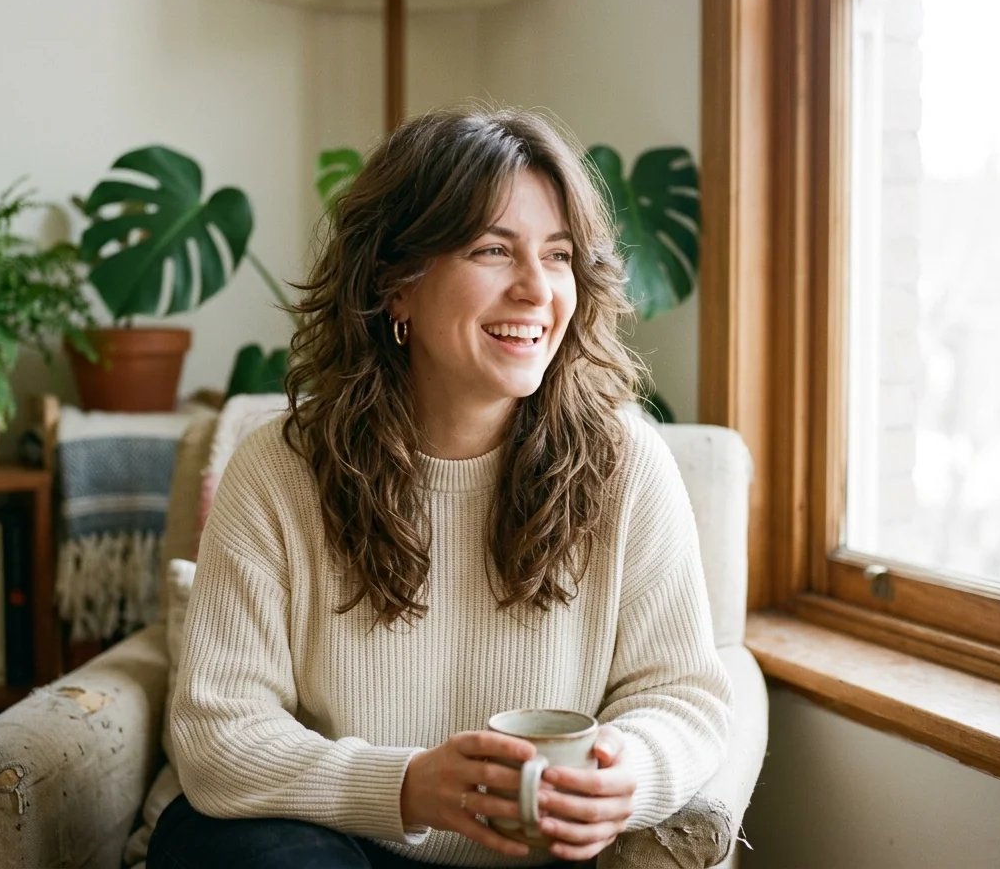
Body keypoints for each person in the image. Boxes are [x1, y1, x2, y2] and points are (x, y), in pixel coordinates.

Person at [148, 106, 732, 868]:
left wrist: (632, 772)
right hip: (339, 847)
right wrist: (406, 787)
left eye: (558, 256)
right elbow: (218, 734)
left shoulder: (627, 464)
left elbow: (684, 697)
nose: (537, 289)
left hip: (541, 859)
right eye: (493, 250)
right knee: (224, 846)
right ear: (396, 286)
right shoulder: (280, 469)